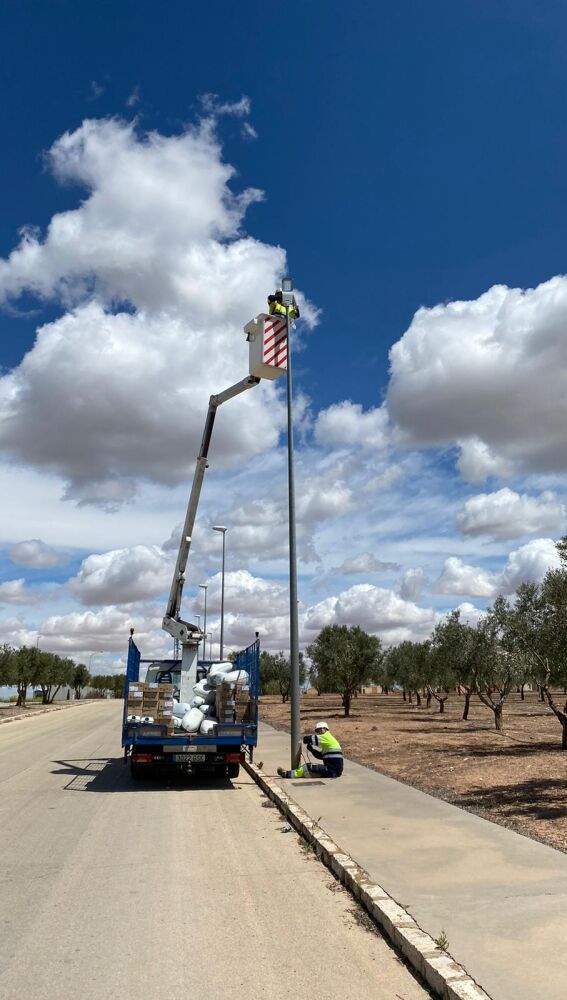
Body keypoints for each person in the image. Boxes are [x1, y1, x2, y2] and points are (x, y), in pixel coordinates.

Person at [277, 721, 343, 779]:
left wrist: (300, 738)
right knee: (309, 771)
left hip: (332, 770)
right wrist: (312, 750)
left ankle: (287, 774)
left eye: (320, 730)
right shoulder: (330, 741)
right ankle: (305, 774)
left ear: (325, 729)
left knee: (307, 766)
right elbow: (320, 756)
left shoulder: (326, 736)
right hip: (334, 771)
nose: (319, 732)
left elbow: (307, 739)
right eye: (317, 731)